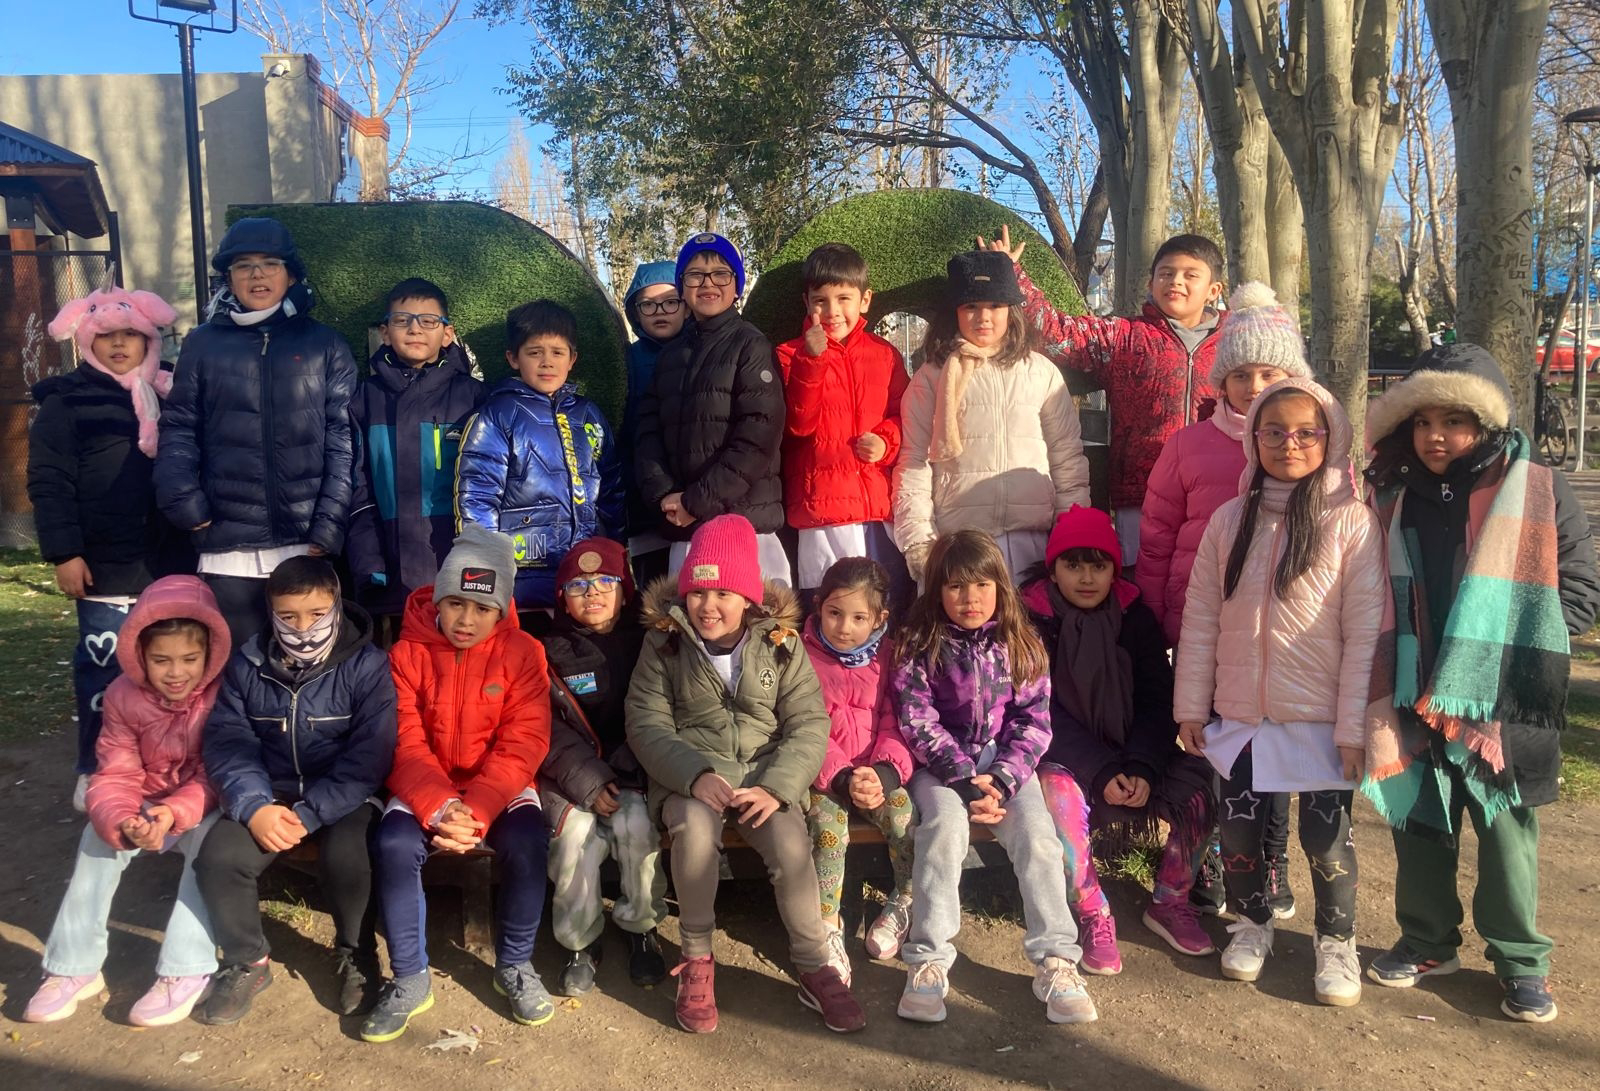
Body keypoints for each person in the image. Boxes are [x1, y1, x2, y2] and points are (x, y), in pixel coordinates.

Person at [1360, 344, 1600, 1023]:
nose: (1436, 435)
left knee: (1505, 831)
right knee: (1419, 822)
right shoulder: (1389, 495)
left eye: (1455, 421)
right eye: (1423, 421)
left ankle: (1521, 960)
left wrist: (1507, 654)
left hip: (1501, 698)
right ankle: (1427, 940)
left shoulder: (1538, 489)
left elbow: (1580, 588)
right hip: (1413, 688)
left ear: (1487, 423)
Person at [1173, 377, 1385, 1006]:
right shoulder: (1229, 520)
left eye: (1305, 432)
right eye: (1273, 431)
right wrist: (1192, 707)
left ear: (1331, 437)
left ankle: (1336, 940)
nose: (1289, 444)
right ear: (1254, 439)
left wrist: (1353, 728)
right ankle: (1251, 922)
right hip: (1242, 715)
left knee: (1325, 840)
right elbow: (1201, 620)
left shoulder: (1352, 522)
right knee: (1239, 834)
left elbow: (1364, 633)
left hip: (1320, 719)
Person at [626, 514, 863, 1034]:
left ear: (749, 598)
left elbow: (808, 723)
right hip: (692, 775)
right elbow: (646, 723)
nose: (707, 606)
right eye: (697, 593)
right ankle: (696, 958)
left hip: (763, 775)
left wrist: (778, 788)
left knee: (792, 845)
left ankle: (814, 964)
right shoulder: (664, 645)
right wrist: (693, 775)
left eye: (723, 594)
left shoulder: (781, 643)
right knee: (693, 835)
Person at [1137, 282, 1312, 918]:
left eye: (1268, 373)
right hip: (1205, 627)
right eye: (1241, 375)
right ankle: (1211, 852)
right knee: (1214, 746)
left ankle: (1272, 856)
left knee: (1278, 747)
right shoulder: (1188, 446)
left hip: (1285, 632)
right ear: (1222, 381)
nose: (1253, 385)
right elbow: (1157, 537)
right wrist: (1157, 618)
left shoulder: (1309, 449)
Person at [894, 529, 1096, 1026]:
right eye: (956, 586)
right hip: (940, 770)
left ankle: (1056, 959)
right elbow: (917, 720)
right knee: (943, 831)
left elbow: (1034, 722)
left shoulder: (1021, 643)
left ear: (1000, 587)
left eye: (982, 585)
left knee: (1039, 838)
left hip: (1006, 768)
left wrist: (1003, 780)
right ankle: (928, 959)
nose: (971, 598)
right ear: (937, 590)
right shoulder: (920, 643)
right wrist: (964, 781)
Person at [363, 526, 553, 1041]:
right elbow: (401, 742)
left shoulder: (524, 652)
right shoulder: (405, 655)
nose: (466, 620)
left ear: (501, 609)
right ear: (438, 601)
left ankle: (515, 963)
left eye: (482, 608)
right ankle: (409, 976)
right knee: (394, 845)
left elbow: (525, 740)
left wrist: (480, 808)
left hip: (499, 786)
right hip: (427, 783)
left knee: (528, 842)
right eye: (455, 604)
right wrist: (442, 806)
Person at [193, 555, 396, 1026]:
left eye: (316, 614)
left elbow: (370, 756)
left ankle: (356, 953)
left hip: (343, 796)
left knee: (348, 855)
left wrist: (310, 814)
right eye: (288, 616)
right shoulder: (247, 664)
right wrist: (254, 807)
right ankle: (247, 960)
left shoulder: (367, 666)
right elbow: (228, 742)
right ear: (271, 613)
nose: (303, 629)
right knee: (219, 857)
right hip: (271, 793)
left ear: (337, 606)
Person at [22, 576, 230, 1027]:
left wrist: (173, 812)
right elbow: (115, 771)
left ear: (210, 654)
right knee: (96, 841)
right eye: (161, 660)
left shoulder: (224, 693)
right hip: (143, 803)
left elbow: (219, 771)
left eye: (189, 659)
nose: (176, 673)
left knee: (211, 850)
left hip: (202, 805)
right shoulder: (121, 694)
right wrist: (121, 820)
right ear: (139, 655)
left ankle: (187, 967)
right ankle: (73, 965)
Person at [1023, 506, 1216, 976]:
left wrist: (1142, 765)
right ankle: (1092, 910)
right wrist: (1102, 769)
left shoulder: (1135, 618)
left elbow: (1157, 698)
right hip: (1066, 755)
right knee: (1059, 799)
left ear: (1115, 569)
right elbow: (1039, 709)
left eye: (1099, 565)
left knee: (1199, 789)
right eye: (1073, 565)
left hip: (1135, 751)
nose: (1087, 578)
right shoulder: (1032, 622)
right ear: (1053, 570)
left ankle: (1170, 900)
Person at [154, 217, 357, 649]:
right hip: (226, 548)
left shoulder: (327, 345)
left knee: (308, 666)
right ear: (229, 277)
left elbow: (343, 444)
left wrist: (328, 525)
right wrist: (187, 505)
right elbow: (178, 428)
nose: (257, 275)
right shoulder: (202, 344)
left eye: (270, 263)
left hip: (306, 544)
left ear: (291, 275)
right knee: (237, 668)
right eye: (244, 265)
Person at [983, 226, 1228, 566]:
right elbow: (1057, 334)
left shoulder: (1234, 346)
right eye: (1166, 273)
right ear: (1151, 282)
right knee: (1142, 583)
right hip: (1140, 498)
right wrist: (1012, 274)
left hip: (1217, 495)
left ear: (1213, 290)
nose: (1176, 282)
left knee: (1209, 579)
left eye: (1190, 275)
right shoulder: (1123, 337)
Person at [33, 282, 190, 809]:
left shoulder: (172, 392)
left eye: (130, 334)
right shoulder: (66, 400)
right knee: (104, 668)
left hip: (169, 559)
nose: (120, 344)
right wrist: (64, 552)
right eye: (107, 336)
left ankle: (161, 767)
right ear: (87, 341)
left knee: (169, 669)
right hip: (103, 561)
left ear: (150, 339)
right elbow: (50, 481)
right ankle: (96, 765)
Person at [893, 251, 1089, 585]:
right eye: (971, 306)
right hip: (959, 548)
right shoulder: (932, 378)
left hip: (1032, 544)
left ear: (1011, 310)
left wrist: (1073, 532)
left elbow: (1066, 456)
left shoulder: (1041, 373)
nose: (983, 317)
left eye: (995, 305)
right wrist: (919, 541)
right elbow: (914, 462)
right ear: (955, 311)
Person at [539, 536, 668, 996]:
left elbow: (660, 715)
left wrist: (626, 768)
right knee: (572, 839)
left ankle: (641, 927)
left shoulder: (652, 643)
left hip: (635, 769)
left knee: (638, 830)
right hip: (568, 775)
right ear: (562, 599)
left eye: (605, 582)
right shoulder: (546, 650)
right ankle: (580, 941)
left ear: (625, 590)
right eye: (577, 586)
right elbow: (543, 726)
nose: (592, 593)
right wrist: (590, 781)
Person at [634, 233, 791, 586]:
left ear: (736, 286)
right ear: (682, 286)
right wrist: (665, 498)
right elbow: (647, 432)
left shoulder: (751, 346)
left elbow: (758, 436)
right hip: (684, 526)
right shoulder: (671, 355)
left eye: (720, 273)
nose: (708, 284)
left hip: (743, 526)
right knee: (687, 618)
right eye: (695, 275)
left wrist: (696, 502)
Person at [455, 300, 624, 618]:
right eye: (534, 352)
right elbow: (477, 496)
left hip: (584, 579)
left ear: (572, 359)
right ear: (513, 358)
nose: (547, 362)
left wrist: (616, 552)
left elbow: (612, 490)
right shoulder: (498, 414)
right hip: (522, 579)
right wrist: (486, 576)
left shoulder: (588, 414)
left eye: (557, 352)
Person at [346, 277, 484, 644]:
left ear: (448, 333)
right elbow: (356, 488)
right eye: (402, 320)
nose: (415, 329)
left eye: (428, 320)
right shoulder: (365, 399)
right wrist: (369, 563)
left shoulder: (474, 398)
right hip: (388, 571)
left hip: (457, 567)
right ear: (385, 332)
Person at [800, 557, 917, 977]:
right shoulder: (800, 656)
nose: (844, 627)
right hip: (826, 780)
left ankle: (906, 899)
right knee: (828, 832)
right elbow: (804, 727)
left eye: (858, 617)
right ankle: (827, 925)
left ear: (880, 618)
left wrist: (884, 774)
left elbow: (897, 718)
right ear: (818, 606)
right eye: (834, 613)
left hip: (877, 774)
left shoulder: (891, 656)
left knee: (904, 818)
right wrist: (843, 777)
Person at [777, 243, 911, 598]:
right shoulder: (788, 355)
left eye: (843, 299)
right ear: (806, 303)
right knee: (831, 611)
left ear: (865, 300)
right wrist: (811, 360)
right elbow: (796, 426)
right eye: (820, 301)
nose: (832, 311)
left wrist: (886, 441)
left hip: (877, 513)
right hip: (823, 515)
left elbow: (907, 416)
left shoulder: (885, 354)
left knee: (885, 610)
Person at [620, 262, 687, 589]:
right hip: (644, 499)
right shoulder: (626, 361)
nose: (660, 311)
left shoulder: (704, 349)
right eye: (648, 304)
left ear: (686, 304)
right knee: (656, 592)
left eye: (670, 301)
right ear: (636, 312)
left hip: (695, 498)